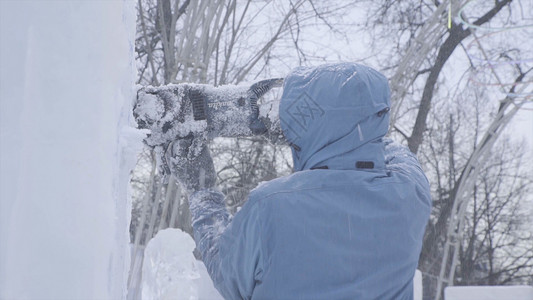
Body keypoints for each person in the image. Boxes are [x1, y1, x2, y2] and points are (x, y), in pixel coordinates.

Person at [168, 63, 432, 299]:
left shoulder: (270, 206)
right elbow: (386, 144)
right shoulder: (410, 195)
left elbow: (227, 276)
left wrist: (200, 188)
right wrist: (329, 127)